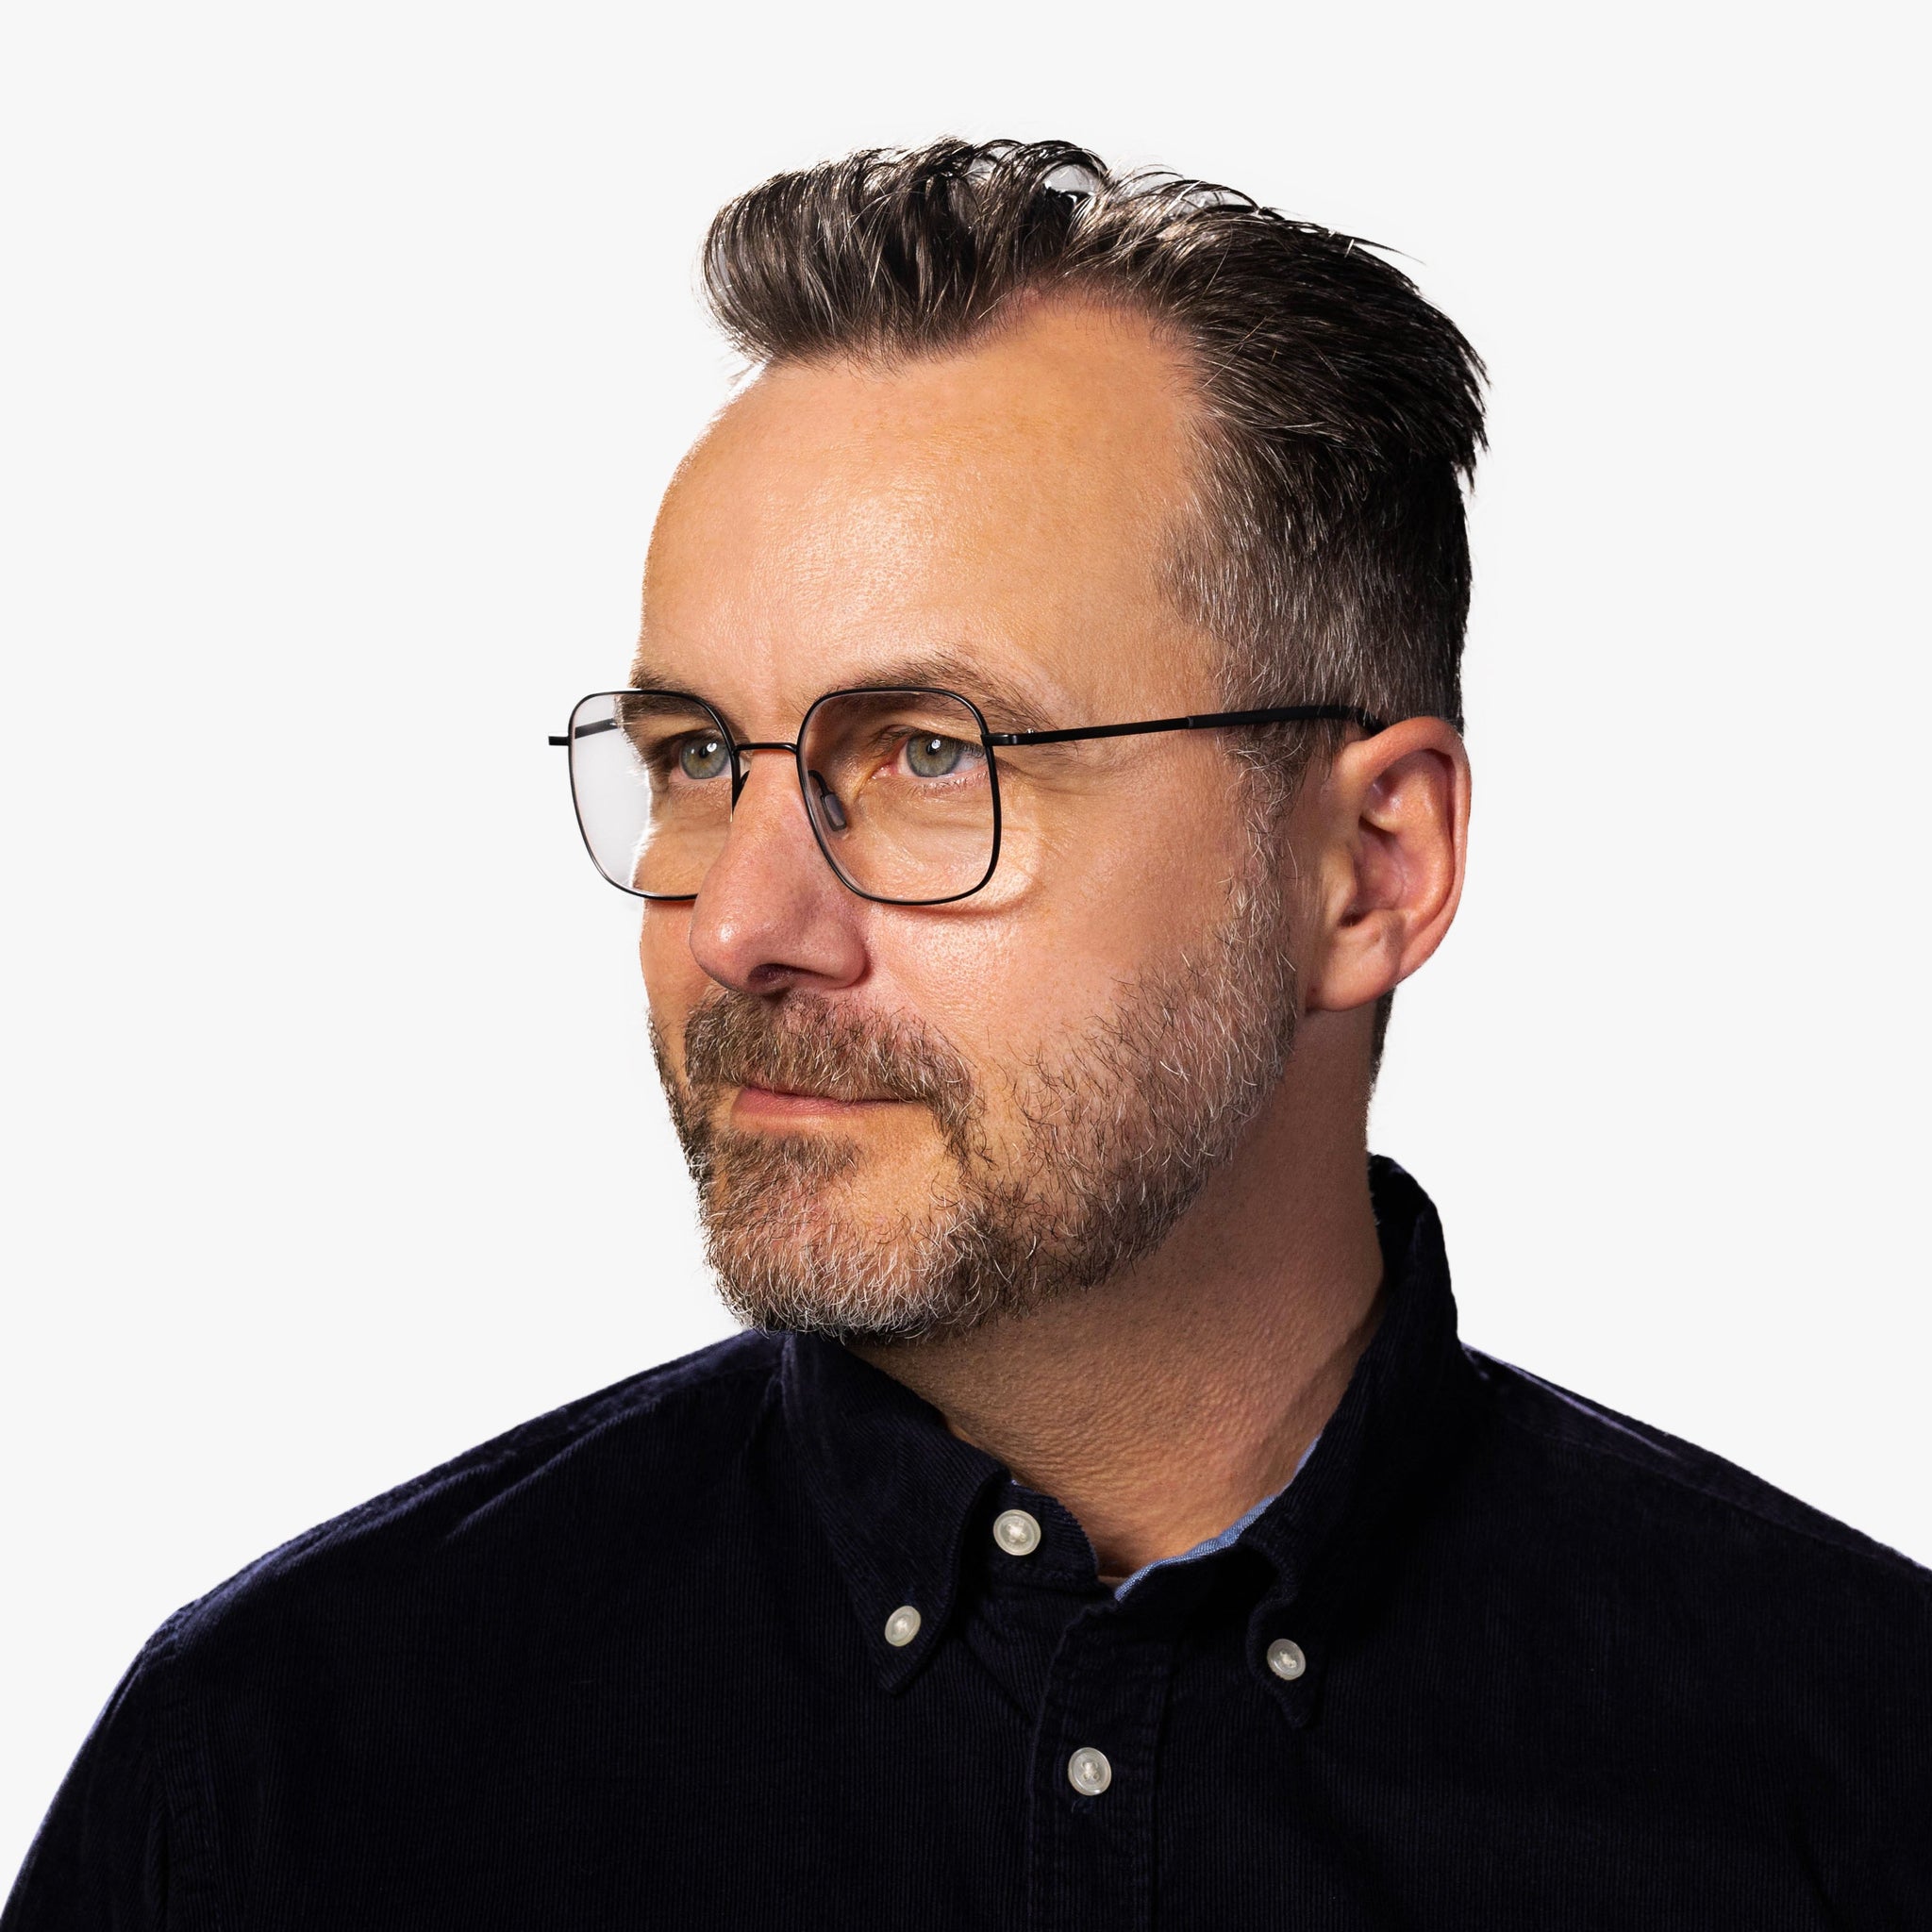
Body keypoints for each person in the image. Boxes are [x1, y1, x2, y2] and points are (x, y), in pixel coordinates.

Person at [7, 137, 1927, 1929]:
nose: (740, 926)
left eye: (931, 756)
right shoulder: (279, 1787)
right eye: (697, 758)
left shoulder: (1862, 1783)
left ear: (1368, 869)